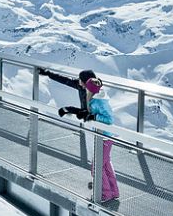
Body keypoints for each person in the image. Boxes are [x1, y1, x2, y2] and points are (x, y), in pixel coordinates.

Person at [40, 67, 120, 202]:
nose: (79, 83)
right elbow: (65, 81)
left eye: (81, 81)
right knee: (104, 164)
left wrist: (91, 116)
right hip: (96, 131)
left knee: (97, 166)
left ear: (87, 83)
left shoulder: (97, 99)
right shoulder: (91, 90)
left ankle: (105, 194)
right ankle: (113, 191)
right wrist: (49, 74)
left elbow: (105, 118)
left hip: (102, 134)